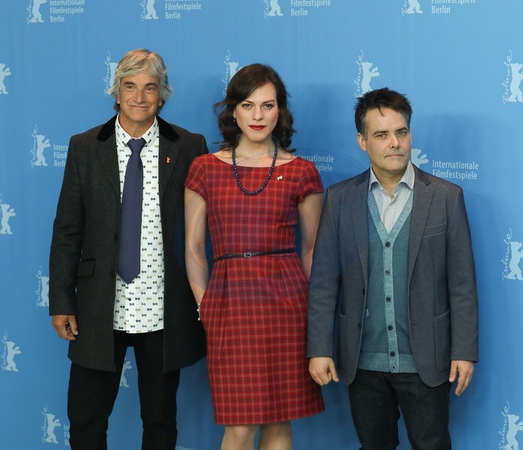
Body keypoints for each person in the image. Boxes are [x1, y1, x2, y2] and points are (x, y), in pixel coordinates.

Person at [49, 48, 208, 449]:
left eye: (150, 88)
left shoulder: (190, 146)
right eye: (130, 86)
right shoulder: (85, 146)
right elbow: (67, 230)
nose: (140, 97)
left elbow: (205, 229)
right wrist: (62, 301)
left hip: (164, 307)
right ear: (117, 92)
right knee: (86, 421)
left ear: (162, 95)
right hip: (100, 308)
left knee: (160, 421)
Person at [307, 88, 479, 449]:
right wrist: (319, 348)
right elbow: (324, 282)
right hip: (362, 362)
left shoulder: (446, 197)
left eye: (401, 132)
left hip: (426, 359)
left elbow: (462, 284)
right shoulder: (340, 198)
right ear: (362, 141)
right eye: (381, 135)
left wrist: (463, 350)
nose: (394, 143)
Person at [184, 64, 324, 449]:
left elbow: (312, 249)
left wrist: (316, 317)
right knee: (240, 425)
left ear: (280, 111)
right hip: (228, 304)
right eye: (248, 105)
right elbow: (193, 248)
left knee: (279, 419)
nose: (258, 115)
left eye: (267, 105)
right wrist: (205, 306)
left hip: (287, 305)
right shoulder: (204, 168)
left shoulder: (302, 172)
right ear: (233, 111)